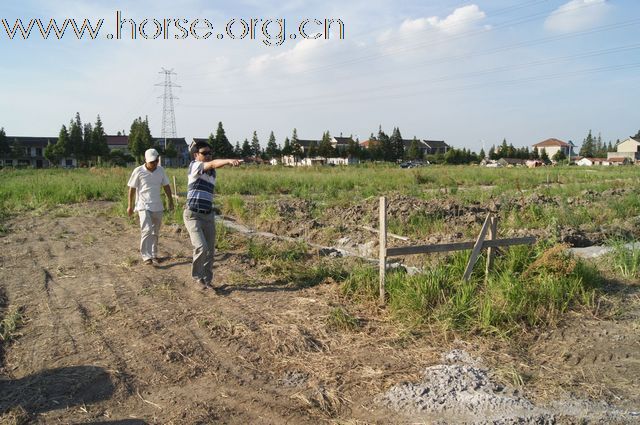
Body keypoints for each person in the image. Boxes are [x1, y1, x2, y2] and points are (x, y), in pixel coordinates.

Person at [183, 141, 241, 290]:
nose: (208, 156)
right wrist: (228, 161)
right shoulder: (194, 166)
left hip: (208, 215)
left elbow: (213, 166)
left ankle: (207, 280)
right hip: (193, 215)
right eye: (205, 153)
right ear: (196, 155)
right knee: (201, 247)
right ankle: (197, 278)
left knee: (210, 250)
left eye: (210, 153)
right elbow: (213, 164)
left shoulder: (212, 174)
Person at [127, 148, 174, 265]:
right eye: (152, 162)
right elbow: (132, 189)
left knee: (155, 232)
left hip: (157, 205)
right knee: (147, 230)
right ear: (146, 160)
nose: (154, 164)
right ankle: (146, 256)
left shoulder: (161, 170)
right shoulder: (138, 171)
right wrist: (130, 206)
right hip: (143, 205)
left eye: (156, 161)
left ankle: (154, 254)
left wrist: (170, 200)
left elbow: (166, 186)